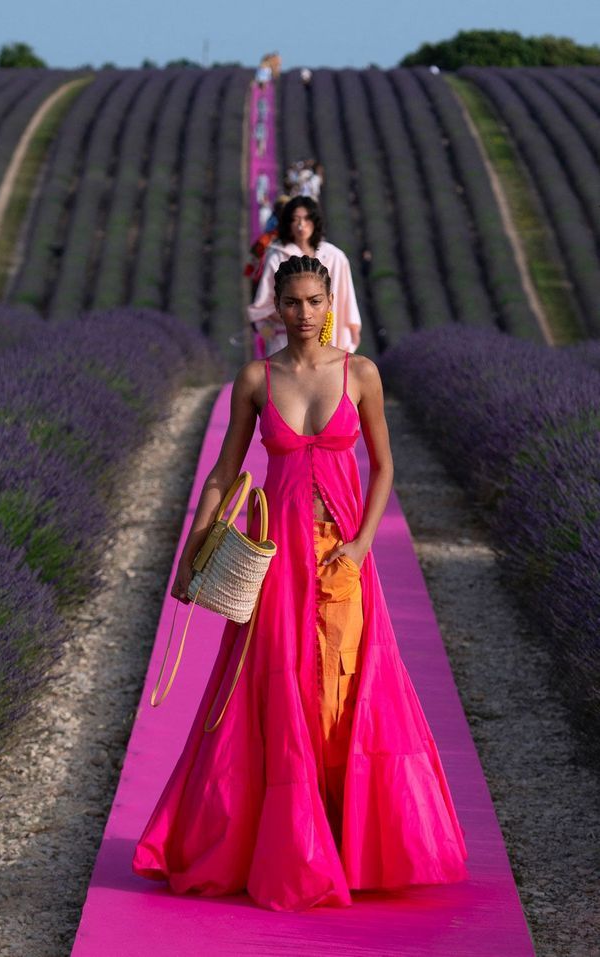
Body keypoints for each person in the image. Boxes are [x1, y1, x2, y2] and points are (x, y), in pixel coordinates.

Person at [132, 254, 469, 911]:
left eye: (316, 300)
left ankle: (349, 841)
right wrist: (192, 553)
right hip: (274, 561)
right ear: (276, 307)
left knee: (343, 689)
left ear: (332, 302)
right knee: (272, 695)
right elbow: (223, 473)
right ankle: (280, 844)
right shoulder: (256, 378)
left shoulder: (361, 373)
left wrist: (365, 541)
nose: (306, 313)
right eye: (294, 302)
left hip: (341, 555)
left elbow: (383, 464)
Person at [248, 196, 362, 356]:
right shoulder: (278, 257)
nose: (301, 225)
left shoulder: (335, 257)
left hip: (330, 338)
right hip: (286, 341)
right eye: (296, 220)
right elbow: (264, 303)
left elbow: (345, 300)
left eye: (307, 219)